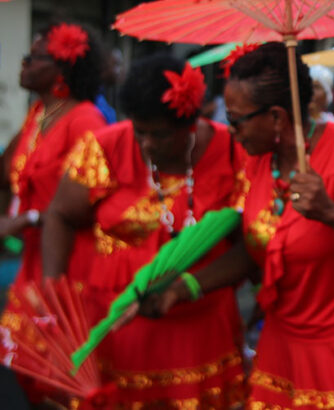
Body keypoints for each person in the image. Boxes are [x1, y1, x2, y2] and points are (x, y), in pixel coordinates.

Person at [148, 42, 334, 409]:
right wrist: (184, 288)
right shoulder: (257, 162)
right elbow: (257, 249)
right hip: (281, 346)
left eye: (236, 120)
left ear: (278, 118)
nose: (229, 130)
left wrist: (333, 213)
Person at [41, 54, 246, 407]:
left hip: (201, 327)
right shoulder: (105, 146)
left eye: (160, 135)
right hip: (117, 331)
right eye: (140, 131)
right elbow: (59, 214)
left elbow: (252, 245)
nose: (147, 144)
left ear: (190, 123)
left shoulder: (234, 151)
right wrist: (55, 298)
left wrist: (185, 289)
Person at [0, 22, 106, 402]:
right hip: (32, 260)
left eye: (34, 58)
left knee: (63, 379)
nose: (23, 64)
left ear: (61, 69)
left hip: (68, 264)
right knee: (28, 372)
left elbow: (91, 204)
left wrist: (25, 219)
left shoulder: (85, 121)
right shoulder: (39, 114)